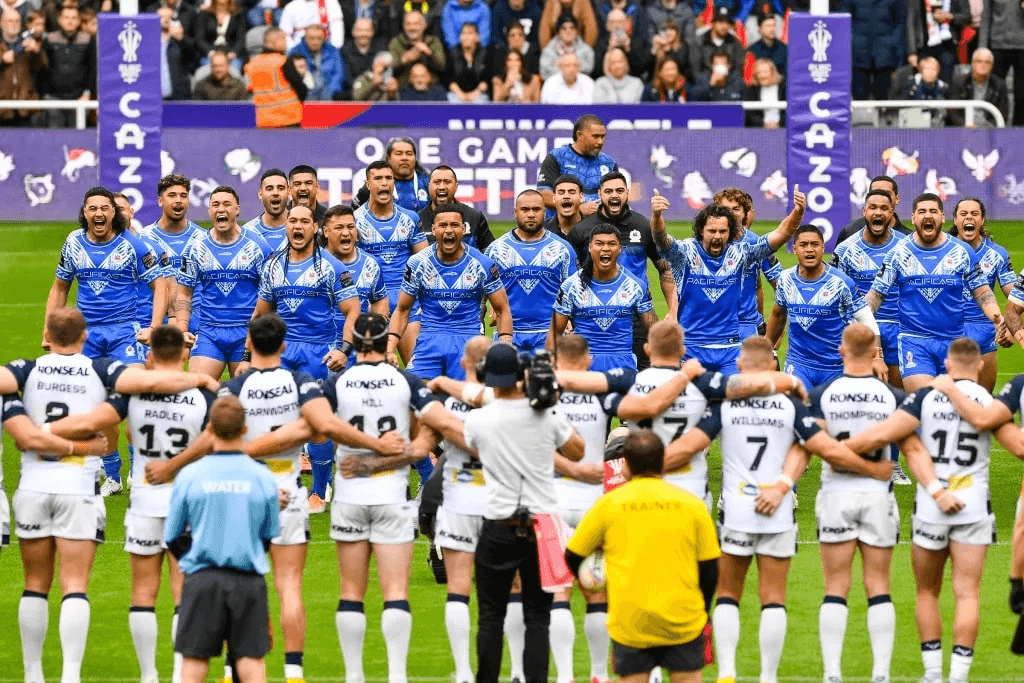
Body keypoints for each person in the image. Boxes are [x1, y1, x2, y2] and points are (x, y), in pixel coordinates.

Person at [1, 307, 218, 683]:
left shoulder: (27, 369)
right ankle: (73, 675)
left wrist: (40, 431)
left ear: (47, 336)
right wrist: (199, 377)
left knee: (35, 584)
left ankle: (33, 675)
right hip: (86, 489)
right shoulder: (103, 370)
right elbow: (142, 387)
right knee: (76, 586)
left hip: (35, 486)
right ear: (85, 336)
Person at [663, 336, 895, 683]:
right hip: (778, 509)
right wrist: (872, 469)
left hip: (737, 509)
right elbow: (827, 449)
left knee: (728, 594)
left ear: (739, 367)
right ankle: (768, 677)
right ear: (773, 367)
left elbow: (687, 448)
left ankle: (727, 673)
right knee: (773, 598)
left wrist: (644, 464)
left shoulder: (723, 407)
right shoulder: (792, 407)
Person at [845, 337, 1019, 683]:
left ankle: (931, 674)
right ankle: (959, 675)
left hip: (930, 504)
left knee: (927, 591)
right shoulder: (988, 401)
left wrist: (835, 447)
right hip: (972, 506)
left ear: (948, 366)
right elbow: (1015, 445)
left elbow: (882, 434)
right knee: (968, 592)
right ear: (980, 366)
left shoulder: (925, 397)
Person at [807, 323, 925, 683]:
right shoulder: (892, 396)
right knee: (878, 585)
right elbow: (913, 449)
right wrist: (934, 488)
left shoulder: (823, 394)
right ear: (875, 350)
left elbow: (813, 445)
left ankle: (831, 674)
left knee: (835, 587)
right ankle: (881, 675)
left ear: (840, 350)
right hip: (877, 497)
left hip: (835, 494)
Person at [463, 341, 584, 683]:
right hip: (541, 525)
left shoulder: (478, 420)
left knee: (490, 617)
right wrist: (552, 406)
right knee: (538, 617)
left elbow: (474, 444)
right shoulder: (546, 416)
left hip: (498, 523)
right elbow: (577, 452)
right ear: (521, 374)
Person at [565, 429, 719, 683]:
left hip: (630, 620)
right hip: (683, 619)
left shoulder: (607, 505)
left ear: (625, 466)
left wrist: (598, 579)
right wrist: (702, 610)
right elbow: (710, 568)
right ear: (663, 462)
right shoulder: (693, 505)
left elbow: (572, 555)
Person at [45, 187, 167, 495]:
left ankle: (139, 469)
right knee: (95, 407)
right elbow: (60, 287)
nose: (98, 213)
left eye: (104, 208)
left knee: (136, 401)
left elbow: (161, 286)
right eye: (92, 208)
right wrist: (50, 329)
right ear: (84, 213)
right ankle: (111, 473)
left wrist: (153, 328)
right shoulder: (73, 242)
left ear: (114, 213)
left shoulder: (134, 245)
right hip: (85, 335)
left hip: (124, 333)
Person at [249, 205, 361, 511]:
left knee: (318, 423)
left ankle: (319, 491)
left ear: (316, 228)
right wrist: (250, 355)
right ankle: (275, 486)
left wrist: (344, 349)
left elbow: (353, 311)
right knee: (272, 417)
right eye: (292, 221)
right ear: (286, 226)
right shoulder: (273, 266)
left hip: (317, 352)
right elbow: (261, 313)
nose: (298, 227)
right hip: (281, 352)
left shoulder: (333, 267)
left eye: (304, 222)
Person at [163, 395, 280, 683]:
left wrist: (197, 559)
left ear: (210, 429)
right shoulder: (262, 475)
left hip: (202, 580)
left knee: (194, 660)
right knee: (251, 661)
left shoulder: (189, 475)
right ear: (244, 429)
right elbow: (269, 533)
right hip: (248, 580)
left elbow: (172, 535)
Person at [631, 320, 808, 507]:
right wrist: (791, 382)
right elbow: (751, 383)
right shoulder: (705, 384)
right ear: (682, 351)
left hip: (645, 492)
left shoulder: (630, 383)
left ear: (647, 349)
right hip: (693, 493)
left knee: (619, 434)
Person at [650, 187, 806, 374]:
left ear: (730, 232)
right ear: (701, 230)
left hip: (730, 349)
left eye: (723, 231)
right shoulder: (685, 253)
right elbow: (661, 239)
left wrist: (798, 212)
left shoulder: (741, 253)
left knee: (739, 397)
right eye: (712, 231)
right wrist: (657, 217)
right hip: (691, 347)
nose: (717, 236)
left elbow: (782, 234)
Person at [865, 193, 1002, 392]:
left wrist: (997, 317)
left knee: (954, 408)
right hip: (914, 341)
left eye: (933, 211)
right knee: (925, 401)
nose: (927, 216)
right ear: (913, 218)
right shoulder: (898, 252)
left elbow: (983, 293)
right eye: (922, 212)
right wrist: (860, 316)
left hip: (954, 342)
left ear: (943, 217)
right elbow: (876, 295)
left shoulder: (962, 251)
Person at [388, 203, 512, 379]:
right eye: (442, 225)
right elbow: (402, 310)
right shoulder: (417, 264)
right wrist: (389, 348)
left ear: (463, 228)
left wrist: (505, 344)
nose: (448, 230)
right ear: (433, 229)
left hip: (468, 343)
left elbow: (502, 308)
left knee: (470, 400)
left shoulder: (482, 263)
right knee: (417, 397)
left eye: (454, 225)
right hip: (429, 342)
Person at [568, 171, 677, 368]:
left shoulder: (643, 225)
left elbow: (665, 269)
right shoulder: (581, 230)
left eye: (619, 190)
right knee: (589, 371)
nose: (614, 195)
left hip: (637, 315)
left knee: (646, 372)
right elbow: (567, 275)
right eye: (608, 191)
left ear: (627, 193)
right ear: (600, 194)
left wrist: (673, 310)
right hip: (590, 315)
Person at [173, 186, 274, 380]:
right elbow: (184, 293)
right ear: (209, 211)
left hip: (247, 333)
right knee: (196, 391)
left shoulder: (258, 246)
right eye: (216, 205)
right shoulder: (196, 248)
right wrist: (182, 329)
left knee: (248, 397)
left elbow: (271, 294)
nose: (221, 209)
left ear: (237, 209)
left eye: (227, 204)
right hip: (209, 333)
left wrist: (263, 331)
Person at [765, 224, 882, 389]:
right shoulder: (785, 279)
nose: (809, 249)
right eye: (804, 245)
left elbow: (866, 319)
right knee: (800, 410)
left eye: (814, 244)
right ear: (794, 249)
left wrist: (878, 357)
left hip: (835, 367)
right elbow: (778, 314)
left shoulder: (841, 282)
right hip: (799, 364)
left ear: (823, 247)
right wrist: (767, 348)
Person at [549, 224, 656, 371]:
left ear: (620, 249)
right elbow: (554, 332)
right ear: (590, 247)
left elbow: (654, 330)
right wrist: (554, 365)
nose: (605, 248)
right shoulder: (571, 286)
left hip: (623, 369)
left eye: (611, 244)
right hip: (583, 368)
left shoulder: (636, 286)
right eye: (599, 243)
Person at [486, 190, 577, 353]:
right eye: (525, 209)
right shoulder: (496, 250)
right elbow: (482, 291)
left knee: (549, 379)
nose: (531, 214)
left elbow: (575, 291)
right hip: (508, 334)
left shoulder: (563, 249)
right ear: (515, 212)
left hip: (549, 334)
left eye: (536, 209)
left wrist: (569, 318)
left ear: (545, 212)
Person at [832, 189, 908, 387]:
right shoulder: (845, 249)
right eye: (873, 207)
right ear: (864, 210)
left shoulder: (905, 246)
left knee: (898, 395)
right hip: (860, 331)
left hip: (899, 329)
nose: (878, 212)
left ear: (892, 213)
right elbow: (836, 296)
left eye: (884, 208)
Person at [354, 159, 426, 365]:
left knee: (417, 367)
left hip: (406, 301)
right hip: (372, 301)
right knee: (371, 369)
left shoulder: (410, 218)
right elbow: (351, 263)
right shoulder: (354, 220)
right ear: (368, 184)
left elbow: (424, 261)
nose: (384, 183)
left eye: (388, 178)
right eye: (378, 178)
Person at [949, 197, 1015, 391]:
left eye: (974, 214)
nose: (969, 217)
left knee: (983, 400)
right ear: (955, 220)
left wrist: (1011, 326)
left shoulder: (997, 254)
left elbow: (1014, 294)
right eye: (963, 214)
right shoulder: (941, 250)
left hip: (984, 333)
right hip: (947, 331)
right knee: (947, 401)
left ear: (982, 220)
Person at [713, 187, 782, 341]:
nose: (730, 213)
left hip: (746, 328)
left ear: (746, 213)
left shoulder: (758, 244)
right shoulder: (701, 245)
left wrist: (778, 325)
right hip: (711, 325)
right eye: (724, 209)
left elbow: (783, 287)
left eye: (736, 209)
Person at [537, 114, 617, 217]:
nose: (600, 141)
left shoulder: (609, 163)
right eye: (595, 136)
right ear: (579, 135)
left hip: (598, 225)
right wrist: (577, 209)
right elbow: (544, 195)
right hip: (562, 226)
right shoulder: (557, 157)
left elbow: (617, 195)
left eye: (603, 136)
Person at [321, 205, 390, 317]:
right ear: (326, 232)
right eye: (339, 228)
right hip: (324, 334)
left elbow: (380, 300)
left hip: (357, 334)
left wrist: (376, 326)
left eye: (350, 227)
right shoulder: (315, 262)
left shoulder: (370, 263)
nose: (346, 233)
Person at [40, 6, 94, 128]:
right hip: (53, 97)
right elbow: (42, 68)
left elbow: (92, 68)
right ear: (59, 20)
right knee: (54, 137)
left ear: (79, 21)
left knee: (78, 139)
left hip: (80, 98)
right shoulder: (49, 39)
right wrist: (45, 93)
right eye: (66, 17)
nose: (70, 21)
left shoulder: (88, 40)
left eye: (74, 18)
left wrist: (87, 93)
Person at [419, 166, 495, 251]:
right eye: (436, 182)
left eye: (447, 182)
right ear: (429, 187)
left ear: (456, 186)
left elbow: (490, 253)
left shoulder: (474, 217)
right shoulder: (417, 220)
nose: (442, 187)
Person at [842, 0, 907, 101]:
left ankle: (884, 117)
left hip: (886, 53)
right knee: (859, 94)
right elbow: (845, 21)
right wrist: (851, 44)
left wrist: (894, 48)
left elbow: (900, 24)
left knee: (883, 94)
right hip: (858, 54)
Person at [244, 27, 306, 128]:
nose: (286, 43)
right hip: (289, 119)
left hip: (265, 121)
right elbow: (300, 87)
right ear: (273, 41)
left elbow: (249, 89)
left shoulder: (251, 64)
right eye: (283, 39)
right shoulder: (283, 61)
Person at [352, 137, 432, 213]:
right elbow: (353, 213)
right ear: (388, 158)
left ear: (415, 157)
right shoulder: (374, 184)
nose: (404, 158)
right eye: (399, 154)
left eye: (409, 154)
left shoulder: (428, 182)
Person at [979, 0, 1024, 126]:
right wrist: (982, 47)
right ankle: (994, 130)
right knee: (995, 93)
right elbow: (986, 17)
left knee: (1021, 95)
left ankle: (1019, 134)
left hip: (1022, 47)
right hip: (998, 46)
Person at [836, 175, 910, 245]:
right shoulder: (850, 232)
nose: (881, 197)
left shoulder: (908, 238)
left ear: (897, 199)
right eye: (876, 192)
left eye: (887, 193)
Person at [949, 47, 1010, 127]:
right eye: (979, 61)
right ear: (972, 63)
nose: (983, 65)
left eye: (987, 62)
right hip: (964, 127)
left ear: (992, 66)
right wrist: (964, 125)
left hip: (989, 129)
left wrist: (990, 126)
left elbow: (1003, 113)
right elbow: (952, 111)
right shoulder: (959, 82)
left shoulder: (999, 85)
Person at [389, 10, 446, 86]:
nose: (412, 28)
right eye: (408, 24)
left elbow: (442, 67)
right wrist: (404, 59)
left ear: (424, 25)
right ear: (403, 26)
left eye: (416, 24)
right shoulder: (396, 42)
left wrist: (429, 53)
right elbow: (389, 70)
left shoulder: (434, 41)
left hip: (430, 87)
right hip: (404, 87)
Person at [290, 24, 345, 101]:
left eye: (319, 38)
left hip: (329, 94)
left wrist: (330, 93)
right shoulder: (294, 52)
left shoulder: (333, 51)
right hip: (304, 95)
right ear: (305, 38)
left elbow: (338, 75)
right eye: (311, 38)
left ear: (324, 38)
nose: (315, 42)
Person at [593, 9, 651, 79]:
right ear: (607, 26)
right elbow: (596, 72)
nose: (617, 25)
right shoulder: (601, 44)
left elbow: (641, 70)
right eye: (613, 22)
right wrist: (609, 49)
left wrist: (629, 49)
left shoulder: (636, 42)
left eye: (620, 22)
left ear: (626, 25)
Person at [192, 0, 245, 73]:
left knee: (234, 71)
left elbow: (241, 39)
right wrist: (211, 53)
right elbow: (199, 39)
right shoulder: (204, 14)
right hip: (210, 53)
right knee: (207, 71)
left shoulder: (238, 14)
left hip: (230, 53)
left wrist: (233, 53)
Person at [243, 169, 290, 251]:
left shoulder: (303, 228)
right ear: (260, 194)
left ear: (289, 193)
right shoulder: (247, 233)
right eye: (269, 188)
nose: (275, 193)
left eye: (281, 188)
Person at [343, 18, 389, 97]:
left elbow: (386, 74)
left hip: (378, 95)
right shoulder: (344, 51)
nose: (363, 34)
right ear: (353, 32)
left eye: (367, 30)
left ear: (373, 32)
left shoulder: (381, 49)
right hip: (353, 96)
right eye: (360, 30)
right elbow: (347, 81)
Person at [446, 22, 491, 102]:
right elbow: (450, 80)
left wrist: (474, 94)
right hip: (457, 93)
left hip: (479, 93)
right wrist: (461, 95)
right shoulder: (453, 53)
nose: (466, 37)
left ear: (477, 37)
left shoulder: (485, 54)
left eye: (470, 33)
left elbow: (485, 82)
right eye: (463, 33)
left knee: (480, 102)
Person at [539, 14, 594, 79]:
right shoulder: (548, 51)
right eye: (564, 28)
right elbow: (544, 73)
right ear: (558, 32)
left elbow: (588, 69)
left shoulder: (586, 51)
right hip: (555, 85)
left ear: (576, 31)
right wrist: (573, 66)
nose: (568, 31)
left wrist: (561, 64)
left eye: (572, 28)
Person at [900, 56, 950, 126]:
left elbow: (946, 112)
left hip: (937, 127)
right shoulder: (911, 86)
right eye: (927, 69)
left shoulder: (943, 87)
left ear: (938, 72)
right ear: (921, 72)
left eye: (934, 69)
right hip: (914, 125)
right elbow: (904, 107)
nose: (931, 72)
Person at [696, 5, 744, 77]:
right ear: (713, 23)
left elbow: (737, 70)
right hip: (704, 84)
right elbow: (695, 70)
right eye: (720, 22)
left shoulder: (735, 42)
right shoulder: (700, 41)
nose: (724, 26)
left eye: (727, 22)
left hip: (729, 84)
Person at [278, 0, 343, 49]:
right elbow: (284, 34)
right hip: (300, 48)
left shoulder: (331, 2)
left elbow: (337, 29)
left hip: (326, 47)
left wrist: (334, 48)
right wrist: (295, 50)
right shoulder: (291, 7)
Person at [743, 58, 785, 128]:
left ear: (772, 72)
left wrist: (779, 123)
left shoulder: (784, 87)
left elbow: (790, 110)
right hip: (760, 130)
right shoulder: (752, 89)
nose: (762, 76)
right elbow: (750, 113)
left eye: (765, 72)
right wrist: (763, 124)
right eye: (759, 73)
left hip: (783, 128)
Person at [543, 174, 583, 240]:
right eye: (561, 193)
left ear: (581, 197)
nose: (566, 196)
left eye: (572, 192)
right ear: (554, 198)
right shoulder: (543, 231)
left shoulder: (593, 229)